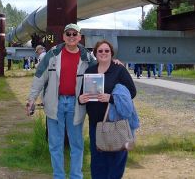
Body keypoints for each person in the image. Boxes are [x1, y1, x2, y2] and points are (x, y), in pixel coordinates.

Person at [26, 23, 95, 179]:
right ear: (64, 36)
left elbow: (102, 70)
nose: (71, 37)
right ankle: (58, 176)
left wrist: (115, 63)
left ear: (79, 37)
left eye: (74, 34)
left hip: (76, 104)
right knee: (55, 145)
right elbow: (39, 77)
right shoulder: (52, 54)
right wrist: (31, 99)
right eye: (68, 34)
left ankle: (76, 176)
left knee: (76, 144)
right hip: (54, 103)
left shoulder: (88, 57)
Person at [79, 40, 137, 179]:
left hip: (115, 123)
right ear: (95, 54)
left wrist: (111, 98)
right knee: (98, 160)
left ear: (111, 53)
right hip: (96, 123)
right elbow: (82, 93)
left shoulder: (119, 69)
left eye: (107, 51)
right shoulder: (90, 71)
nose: (103, 53)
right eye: (100, 51)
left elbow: (132, 92)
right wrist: (80, 99)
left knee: (116, 158)